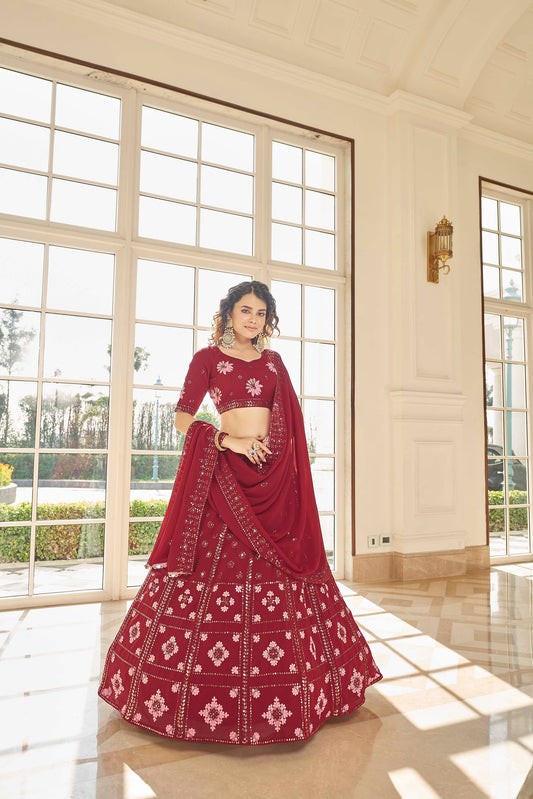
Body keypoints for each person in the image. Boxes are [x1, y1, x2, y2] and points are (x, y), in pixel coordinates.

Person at [98, 279, 382, 746]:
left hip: (273, 476)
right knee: (208, 573)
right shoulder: (207, 359)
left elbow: (288, 417)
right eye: (245, 310)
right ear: (228, 313)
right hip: (225, 475)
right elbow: (183, 417)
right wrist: (227, 440)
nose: (252, 319)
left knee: (289, 568)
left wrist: (273, 453)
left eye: (260, 313)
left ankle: (313, 692)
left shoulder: (273, 363)